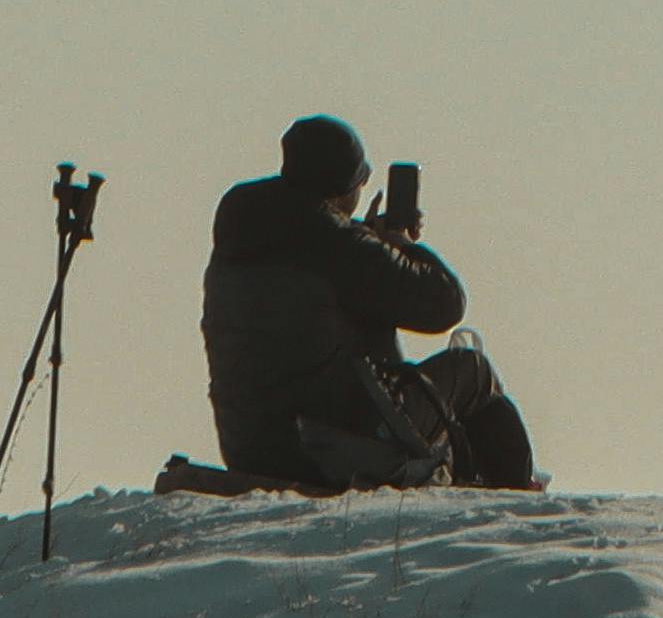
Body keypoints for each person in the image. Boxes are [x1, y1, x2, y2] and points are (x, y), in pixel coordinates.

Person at [197, 116, 542, 493]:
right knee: (473, 370)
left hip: (252, 447)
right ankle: (516, 496)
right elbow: (444, 304)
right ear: (345, 186)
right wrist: (401, 245)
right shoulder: (343, 249)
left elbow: (315, 258)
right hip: (331, 447)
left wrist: (365, 238)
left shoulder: (243, 236)